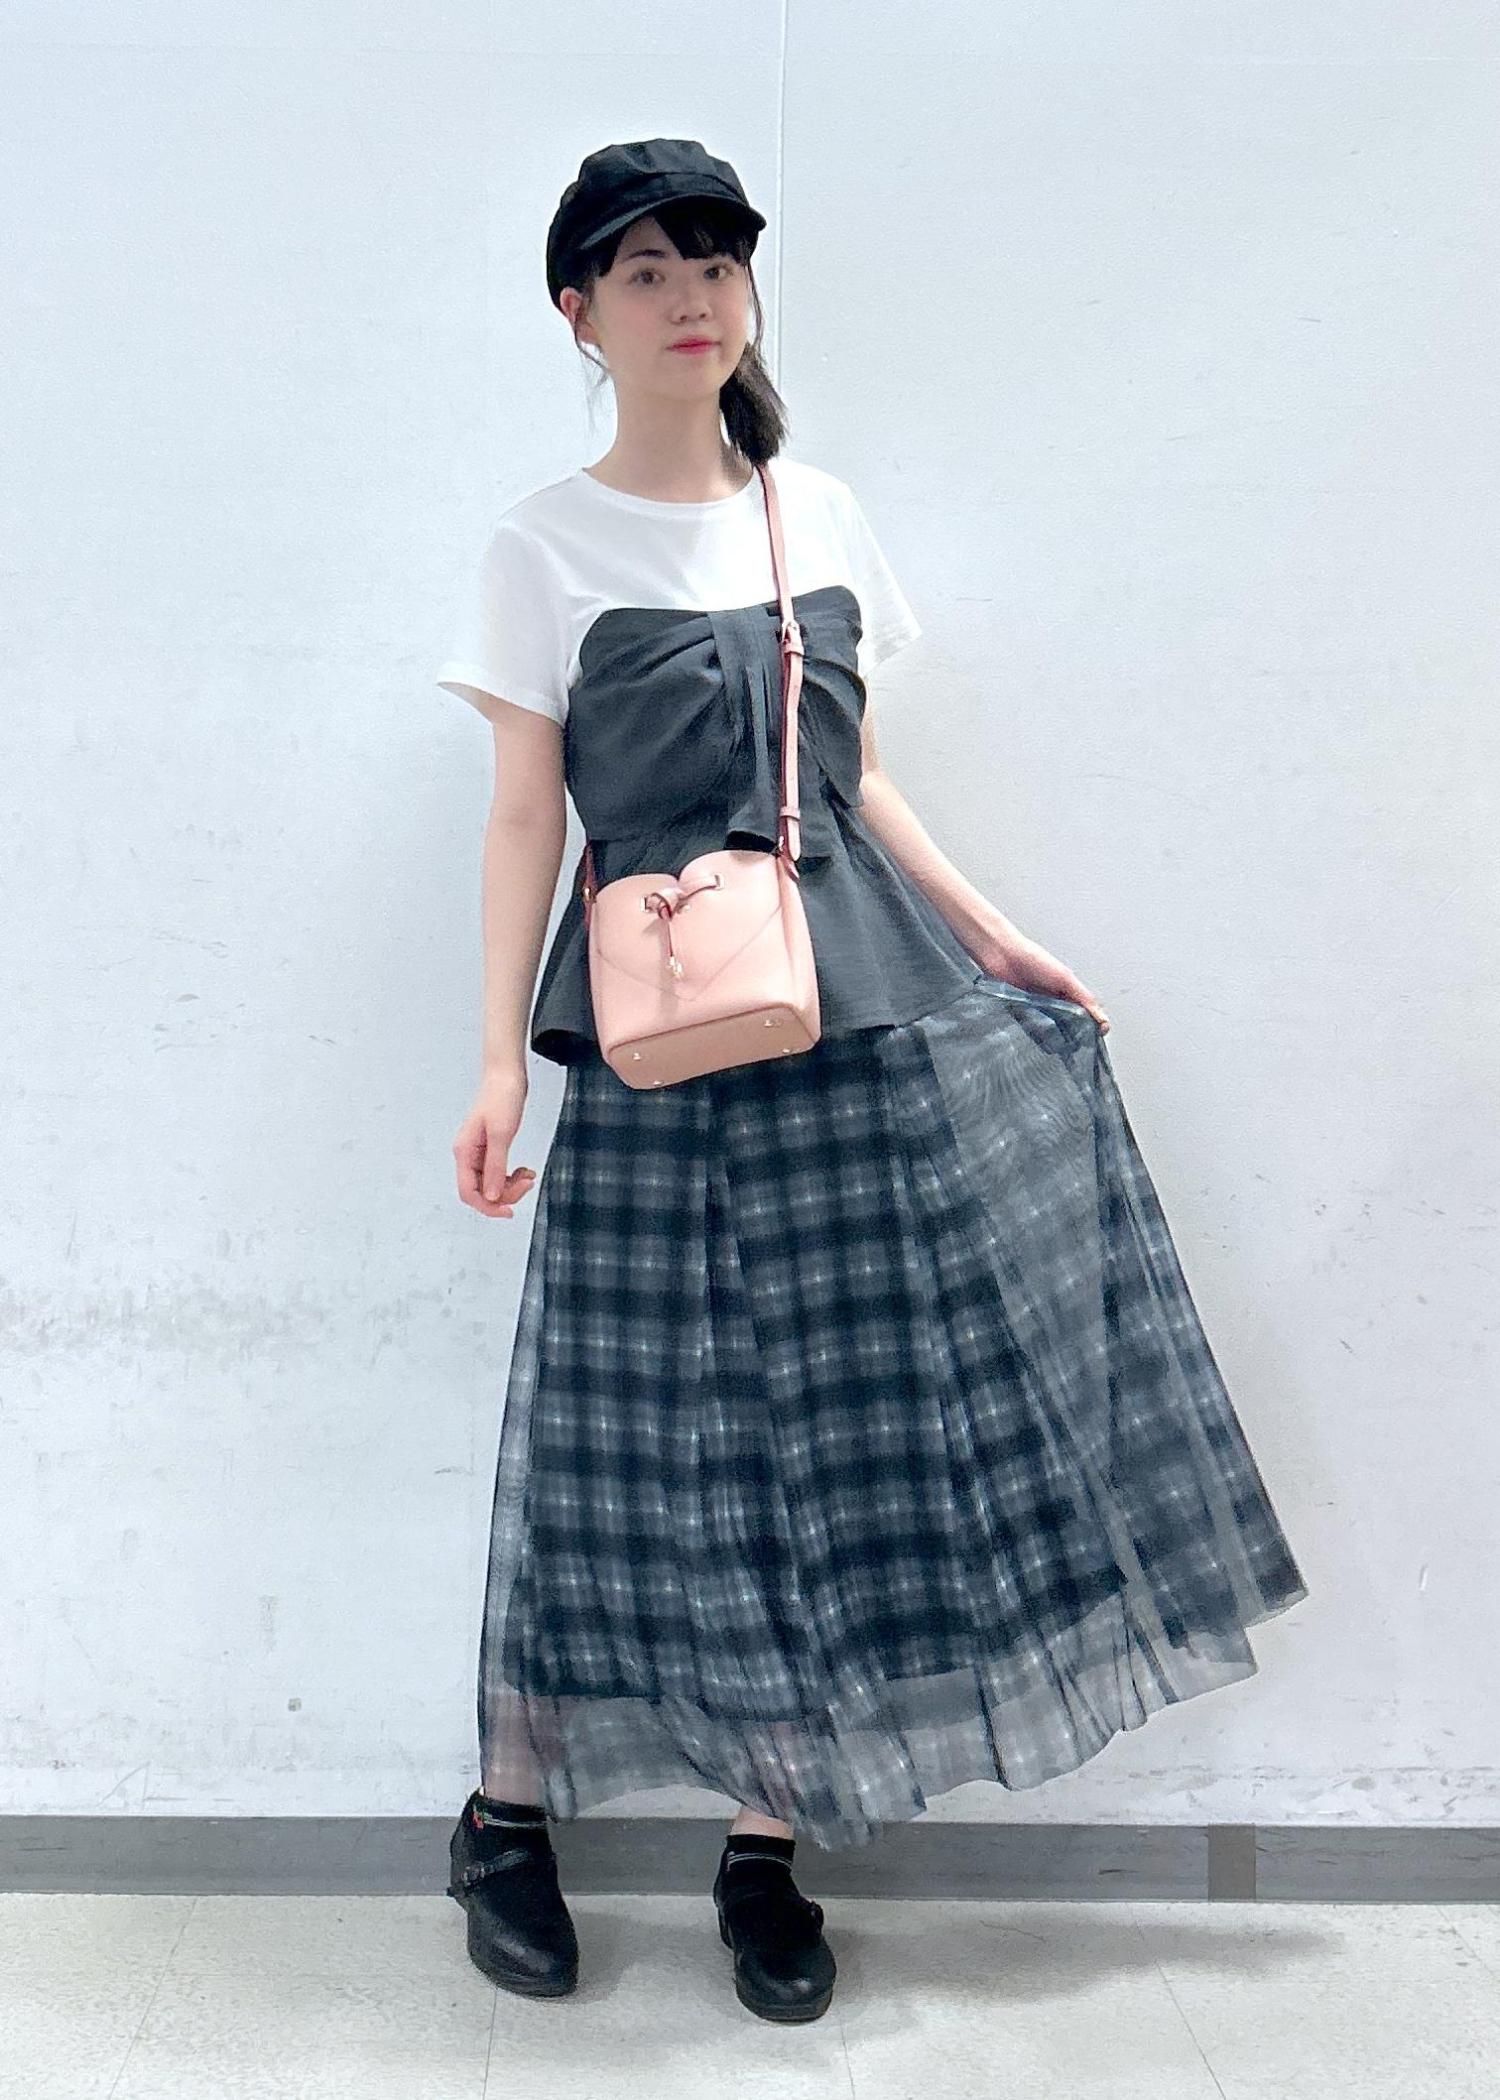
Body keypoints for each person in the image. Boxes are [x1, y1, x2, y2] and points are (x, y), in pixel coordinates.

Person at [433, 138, 1311, 2024]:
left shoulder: (812, 512)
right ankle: (506, 1815)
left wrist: (997, 937)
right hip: (658, 1051)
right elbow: (522, 819)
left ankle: (771, 1842)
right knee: (624, 1435)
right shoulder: (540, 547)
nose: (691, 298)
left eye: (717, 264)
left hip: (856, 1021)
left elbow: (859, 776)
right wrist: (497, 1058)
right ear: (578, 313)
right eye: (647, 270)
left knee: (846, 1427)